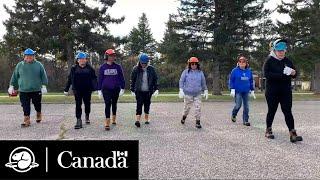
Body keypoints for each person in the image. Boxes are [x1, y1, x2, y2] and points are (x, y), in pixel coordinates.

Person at [263, 39, 303, 143]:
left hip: (285, 91)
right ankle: (268, 130)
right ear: (274, 50)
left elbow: (295, 74)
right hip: (272, 91)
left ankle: (292, 133)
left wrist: (294, 73)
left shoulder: (288, 61)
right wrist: (283, 74)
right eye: (279, 50)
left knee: (288, 111)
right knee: (272, 110)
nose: (281, 52)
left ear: (285, 50)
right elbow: (267, 75)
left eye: (283, 50)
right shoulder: (269, 60)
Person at [8, 48, 48, 127]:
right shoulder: (20, 65)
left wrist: (44, 86)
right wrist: (11, 86)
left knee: (37, 104)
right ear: (24, 56)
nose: (28, 57)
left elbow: (43, 75)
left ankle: (38, 113)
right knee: (25, 105)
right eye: (27, 56)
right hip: (23, 90)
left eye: (30, 56)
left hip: (36, 90)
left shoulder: (39, 65)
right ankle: (27, 120)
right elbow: (15, 76)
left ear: (33, 56)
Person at [64, 52, 97, 129]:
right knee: (78, 104)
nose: (82, 60)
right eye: (80, 59)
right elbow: (70, 79)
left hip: (87, 90)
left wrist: (95, 88)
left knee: (87, 104)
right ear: (77, 60)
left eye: (83, 59)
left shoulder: (90, 68)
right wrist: (66, 89)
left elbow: (94, 78)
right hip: (77, 90)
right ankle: (79, 120)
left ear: (86, 60)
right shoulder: (74, 68)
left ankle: (87, 116)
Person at [98, 49, 125, 131]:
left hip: (115, 89)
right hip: (106, 89)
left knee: (114, 104)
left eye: (113, 55)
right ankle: (107, 122)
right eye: (110, 56)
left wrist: (122, 88)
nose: (112, 57)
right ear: (106, 56)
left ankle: (114, 118)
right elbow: (100, 79)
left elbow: (121, 78)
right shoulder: (102, 67)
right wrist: (99, 90)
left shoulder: (118, 67)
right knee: (107, 104)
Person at [130, 53, 159, 127]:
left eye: (145, 63)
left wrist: (156, 89)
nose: (143, 65)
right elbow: (132, 80)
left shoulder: (151, 69)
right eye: (142, 63)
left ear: (147, 62)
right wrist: (132, 89)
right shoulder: (135, 69)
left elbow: (155, 80)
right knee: (139, 105)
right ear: (139, 62)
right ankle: (137, 120)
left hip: (148, 91)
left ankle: (146, 118)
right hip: (139, 91)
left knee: (147, 105)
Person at [179, 57, 208, 129]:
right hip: (188, 94)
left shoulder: (200, 72)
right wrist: (181, 90)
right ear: (189, 64)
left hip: (198, 93)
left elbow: (203, 82)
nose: (194, 65)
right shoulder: (185, 72)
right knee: (187, 108)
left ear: (197, 64)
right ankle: (184, 117)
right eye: (192, 64)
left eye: (195, 64)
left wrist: (205, 90)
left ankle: (198, 122)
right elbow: (181, 81)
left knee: (198, 108)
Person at [229, 55, 255, 126]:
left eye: (243, 62)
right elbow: (231, 80)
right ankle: (234, 114)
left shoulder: (249, 71)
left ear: (246, 63)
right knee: (238, 105)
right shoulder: (234, 71)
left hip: (246, 91)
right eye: (240, 62)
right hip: (238, 91)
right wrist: (232, 89)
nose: (242, 63)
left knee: (246, 106)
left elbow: (251, 81)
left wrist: (252, 90)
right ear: (238, 63)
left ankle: (245, 120)